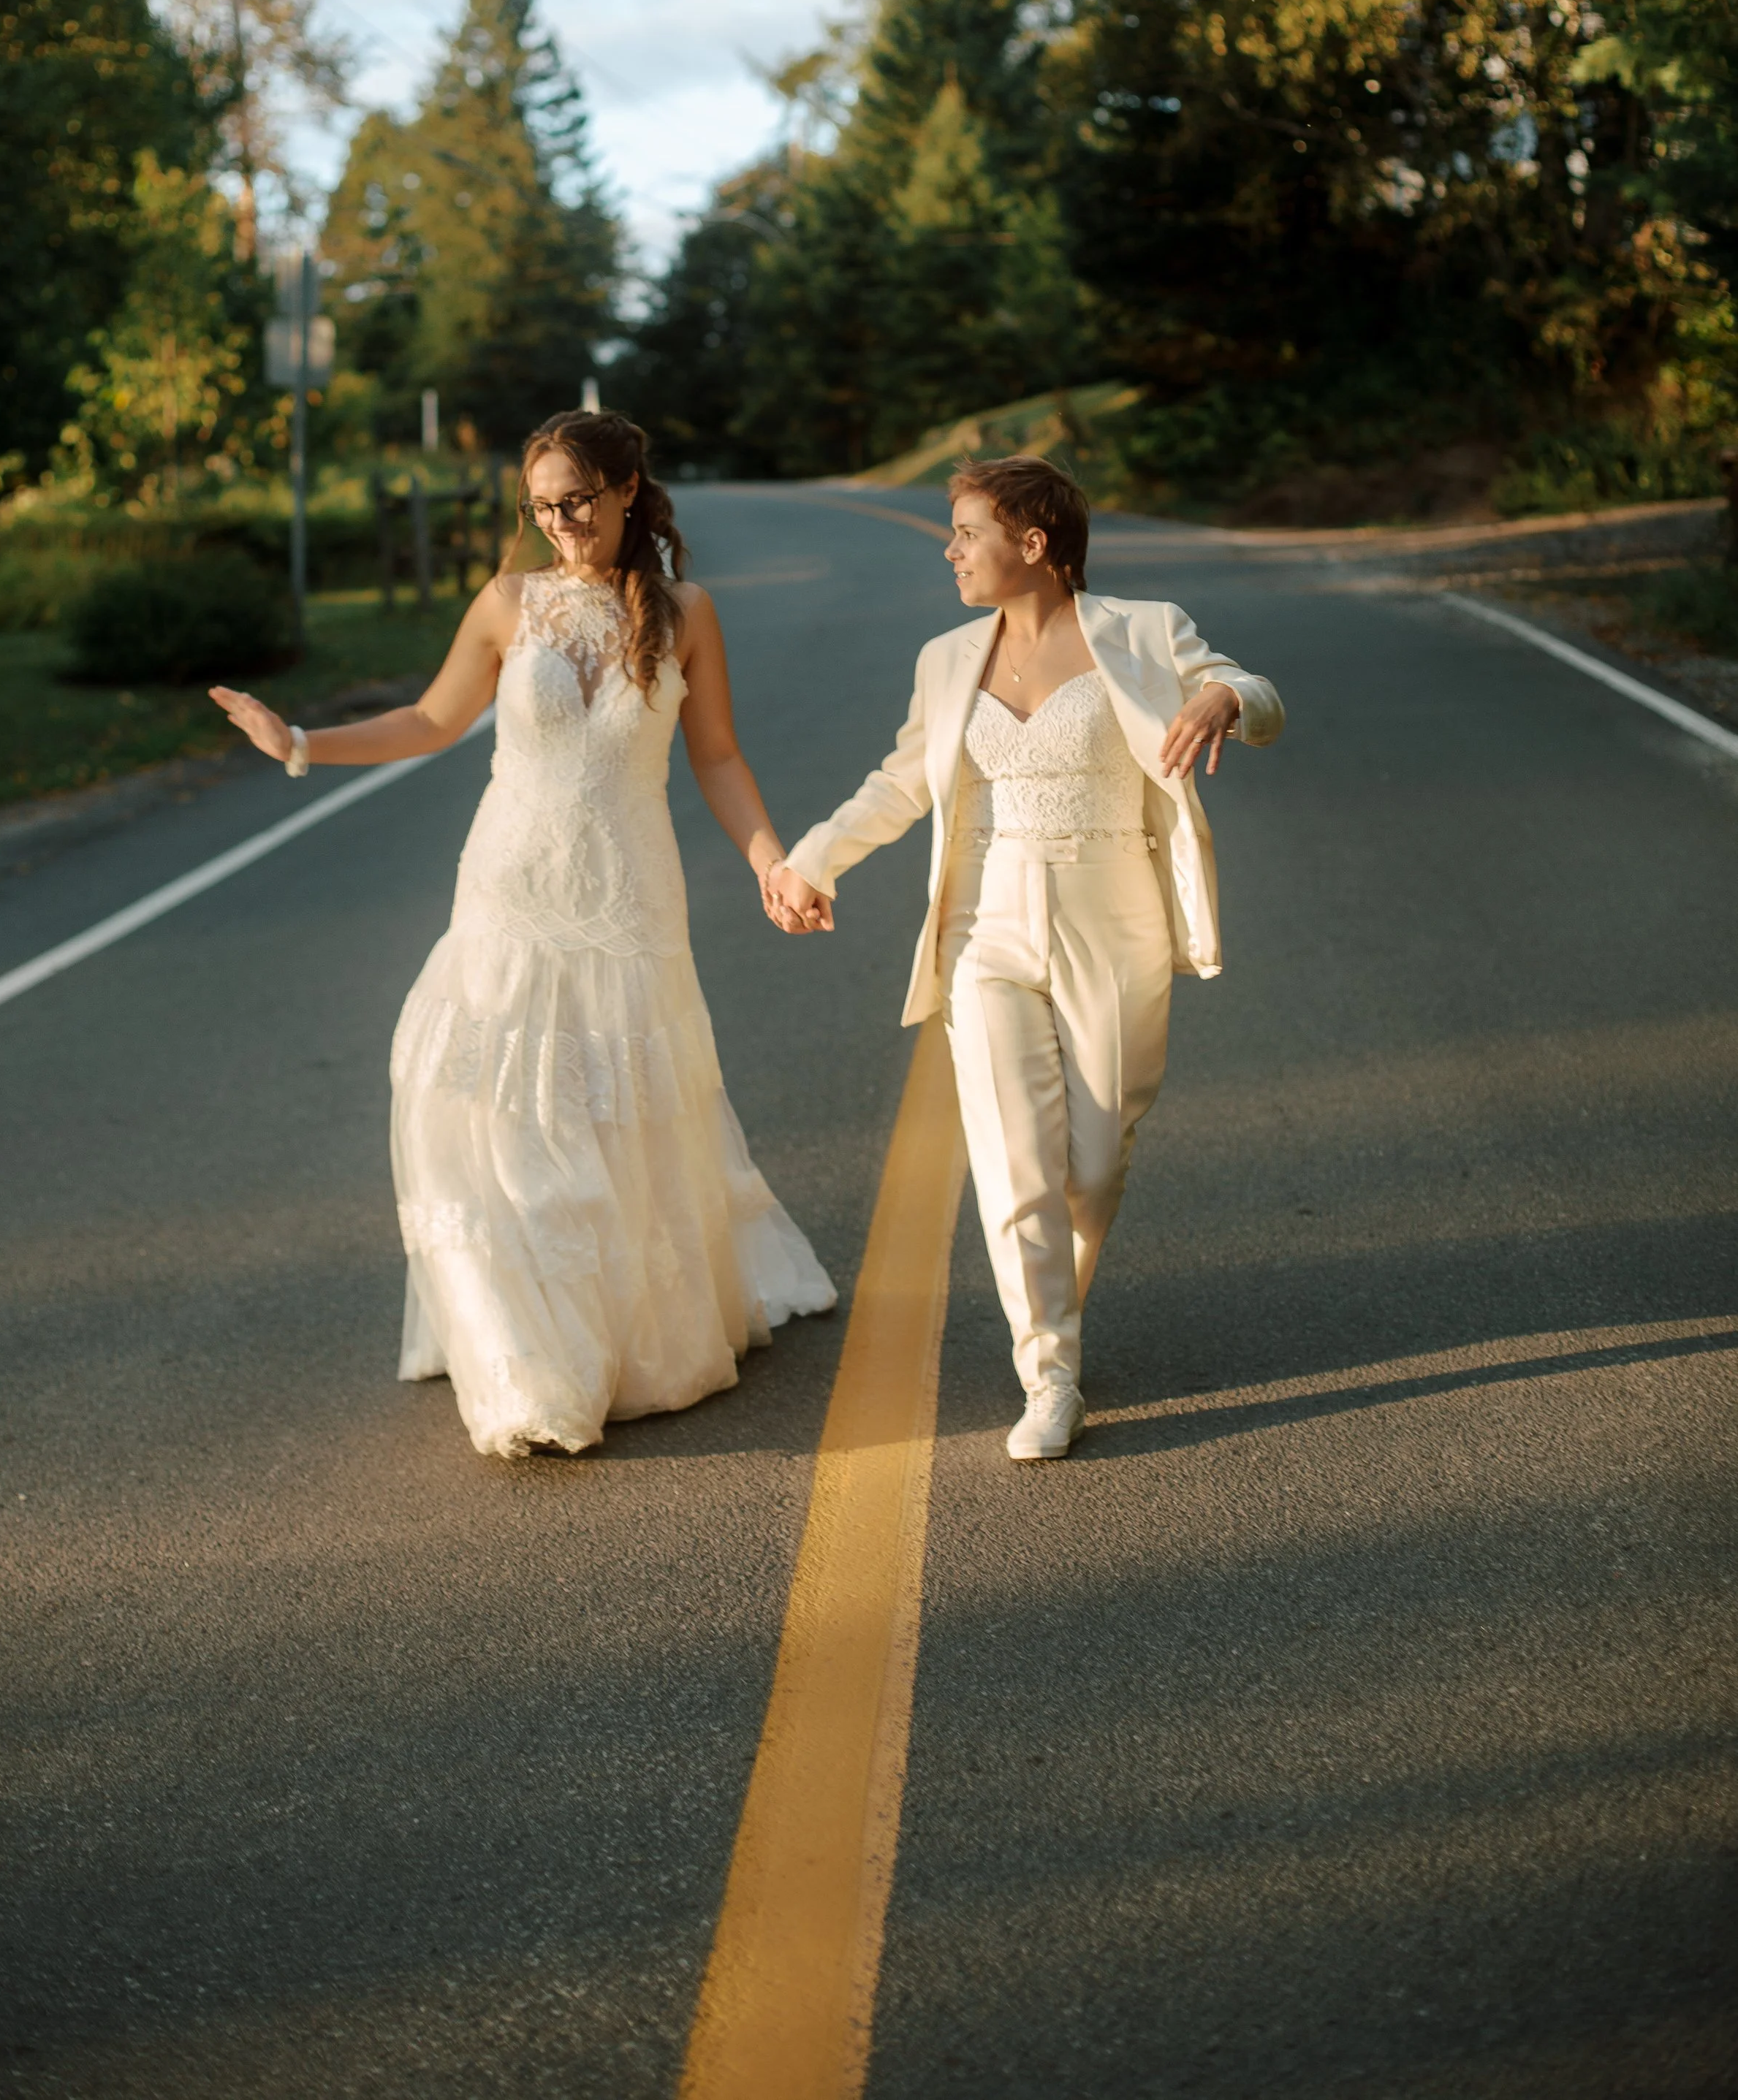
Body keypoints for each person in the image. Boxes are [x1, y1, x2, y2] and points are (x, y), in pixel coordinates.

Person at [210, 408, 835, 1459]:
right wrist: (301, 743)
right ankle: (527, 1357)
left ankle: (616, 1338)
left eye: (578, 501)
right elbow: (432, 720)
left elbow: (718, 757)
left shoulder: (687, 611)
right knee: (494, 1114)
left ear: (629, 487)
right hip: (508, 891)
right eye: (542, 507)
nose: (560, 524)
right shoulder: (509, 602)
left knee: (614, 1120)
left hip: (631, 900)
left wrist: (772, 860)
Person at [765, 455, 1282, 1462]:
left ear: (1034, 544)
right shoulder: (947, 656)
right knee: (1013, 1161)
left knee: (1092, 1160)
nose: (951, 550)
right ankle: (1050, 1372)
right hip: (987, 926)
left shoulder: (1142, 630)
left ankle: (1056, 1305)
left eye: (967, 531)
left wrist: (1223, 699)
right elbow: (901, 780)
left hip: (1113, 912)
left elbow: (1254, 690)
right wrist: (811, 858)